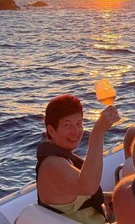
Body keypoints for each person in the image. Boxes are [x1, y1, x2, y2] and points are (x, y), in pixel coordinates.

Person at [36, 94, 120, 224]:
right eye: (67, 125)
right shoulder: (51, 164)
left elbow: (67, 199)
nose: (76, 131)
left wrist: (101, 198)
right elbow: (88, 187)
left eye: (79, 123)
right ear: (51, 131)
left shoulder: (62, 158)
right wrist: (98, 132)